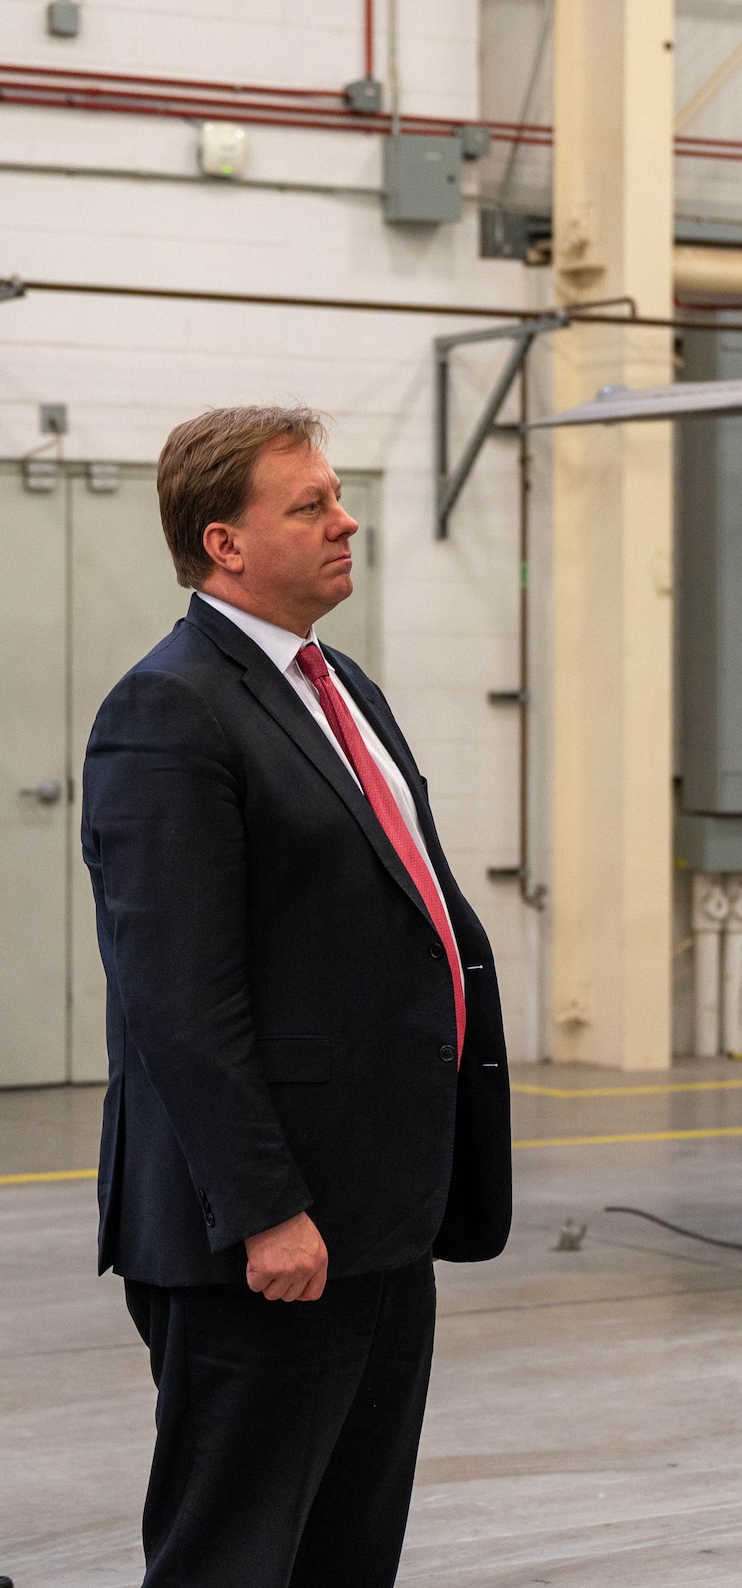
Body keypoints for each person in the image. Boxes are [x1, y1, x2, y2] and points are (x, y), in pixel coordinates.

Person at [83, 406, 512, 1588]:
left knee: (345, 1552)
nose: (346, 519)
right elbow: (176, 999)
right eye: (310, 503)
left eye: (337, 494)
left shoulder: (341, 685)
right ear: (224, 543)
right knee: (232, 1555)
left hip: (375, 1213)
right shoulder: (168, 708)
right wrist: (268, 1209)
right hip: (266, 1236)